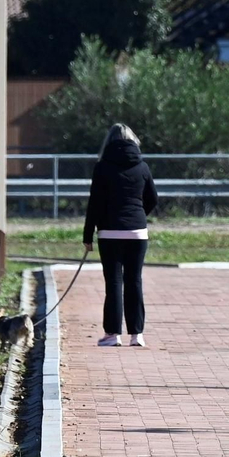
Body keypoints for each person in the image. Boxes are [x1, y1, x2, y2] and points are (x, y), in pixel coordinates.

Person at [83, 123, 159, 348]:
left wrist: (88, 235)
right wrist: (138, 216)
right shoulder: (142, 167)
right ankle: (137, 335)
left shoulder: (102, 167)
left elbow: (94, 204)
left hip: (109, 232)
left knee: (114, 282)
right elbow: (153, 198)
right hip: (137, 232)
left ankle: (113, 334)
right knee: (134, 281)